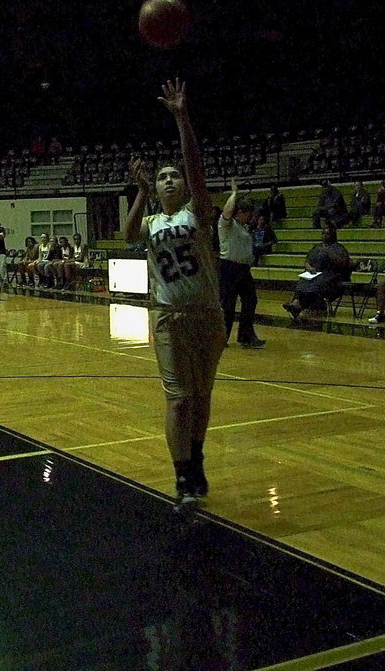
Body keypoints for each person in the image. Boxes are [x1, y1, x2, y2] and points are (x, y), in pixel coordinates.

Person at [125, 79, 225, 510]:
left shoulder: (197, 212)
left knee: (202, 397)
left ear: (185, 185)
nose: (168, 181)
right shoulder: (150, 223)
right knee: (178, 397)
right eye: (162, 177)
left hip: (208, 313)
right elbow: (126, 235)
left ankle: (197, 458)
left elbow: (197, 167)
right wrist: (141, 190)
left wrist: (182, 118)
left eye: (173, 177)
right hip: (168, 315)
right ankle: (182, 474)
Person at [217, 180, 266, 349]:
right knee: (228, 305)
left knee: (250, 300)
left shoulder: (244, 228)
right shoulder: (226, 224)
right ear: (241, 212)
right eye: (248, 214)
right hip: (229, 268)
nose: (251, 217)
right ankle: (221, 338)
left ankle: (246, 336)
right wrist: (234, 193)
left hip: (243, 270)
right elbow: (228, 210)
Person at [283, 226, 353, 319]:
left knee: (316, 284)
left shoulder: (339, 248)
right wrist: (309, 268)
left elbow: (344, 263)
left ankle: (306, 306)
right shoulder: (317, 247)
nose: (324, 235)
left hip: (333, 276)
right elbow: (307, 261)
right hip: (316, 274)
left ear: (333, 235)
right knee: (304, 279)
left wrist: (328, 252)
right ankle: (296, 303)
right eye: (323, 233)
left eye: (327, 233)